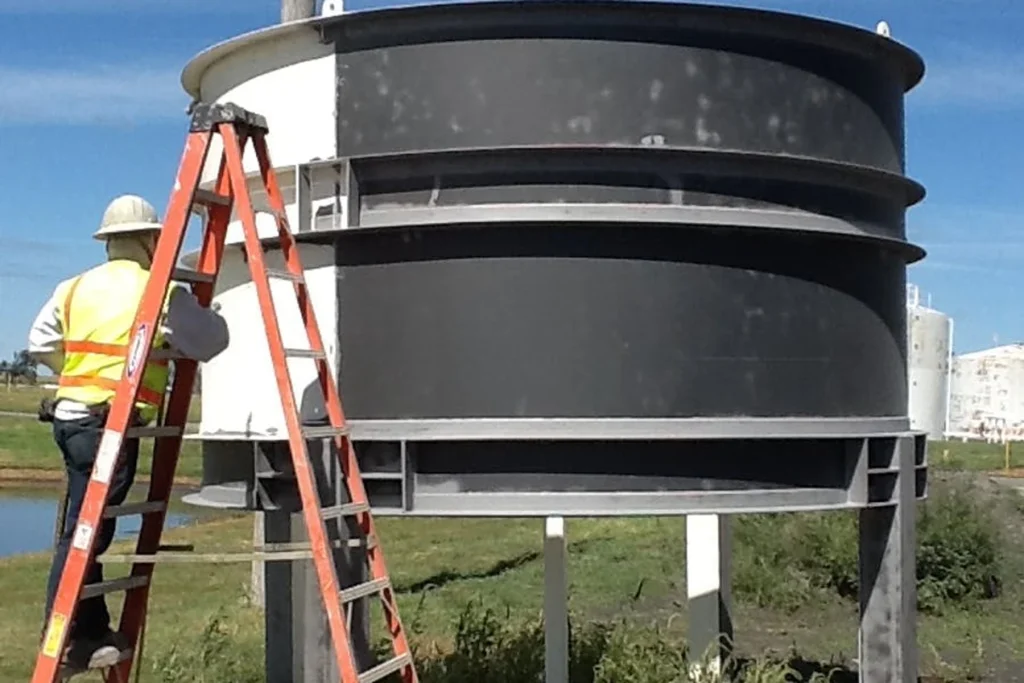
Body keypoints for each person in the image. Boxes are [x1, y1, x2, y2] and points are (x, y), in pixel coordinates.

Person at [27, 194, 230, 672]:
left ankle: (90, 631)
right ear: (148, 239)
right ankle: (69, 634)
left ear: (107, 242)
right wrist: (203, 314)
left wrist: (75, 377)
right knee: (86, 534)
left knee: (85, 528)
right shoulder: (156, 290)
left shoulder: (72, 287)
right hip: (109, 426)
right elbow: (211, 342)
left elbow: (39, 343)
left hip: (73, 417)